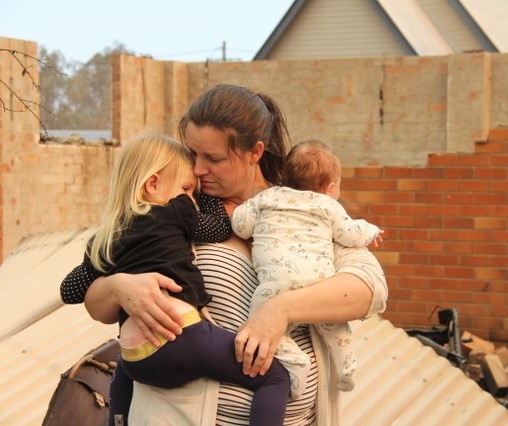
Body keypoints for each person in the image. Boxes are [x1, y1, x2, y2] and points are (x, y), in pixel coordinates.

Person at [60, 83, 388, 425]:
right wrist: (118, 287)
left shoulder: (299, 207)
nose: (199, 169)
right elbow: (94, 297)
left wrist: (280, 308)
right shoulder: (180, 208)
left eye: (213, 158)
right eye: (193, 154)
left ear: (254, 152)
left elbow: (370, 288)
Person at [60, 130, 290, 426]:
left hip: (136, 357)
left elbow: (70, 290)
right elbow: (218, 228)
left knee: (121, 377)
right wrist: (208, 199)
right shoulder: (175, 212)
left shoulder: (103, 240)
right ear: (153, 184)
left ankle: (116, 421)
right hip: (181, 339)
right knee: (274, 376)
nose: (191, 198)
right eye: (187, 188)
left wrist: (111, 276)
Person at [232, 138, 383, 397]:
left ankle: (293, 358)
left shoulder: (268, 197)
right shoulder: (329, 205)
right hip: (320, 281)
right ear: (330, 187)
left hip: (276, 283)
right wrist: (370, 231)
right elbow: (349, 234)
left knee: (264, 324)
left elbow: (241, 227)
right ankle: (346, 365)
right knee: (333, 324)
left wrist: (239, 213)